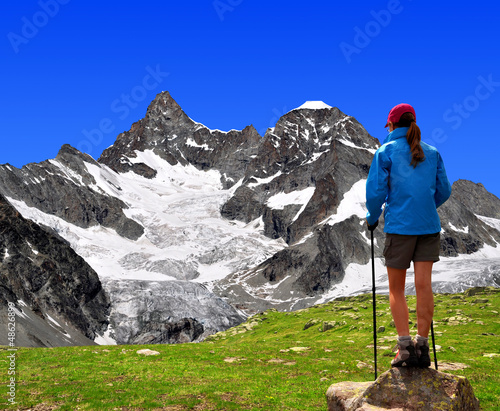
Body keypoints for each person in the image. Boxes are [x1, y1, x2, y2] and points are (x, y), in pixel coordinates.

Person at [365, 103, 452, 368]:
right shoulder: (433, 153)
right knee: (424, 286)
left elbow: (376, 193)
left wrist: (372, 217)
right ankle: (422, 347)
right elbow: (444, 190)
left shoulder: (386, 152)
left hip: (400, 228)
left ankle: (404, 349)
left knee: (396, 288)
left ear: (391, 126)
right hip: (428, 227)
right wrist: (425, 207)